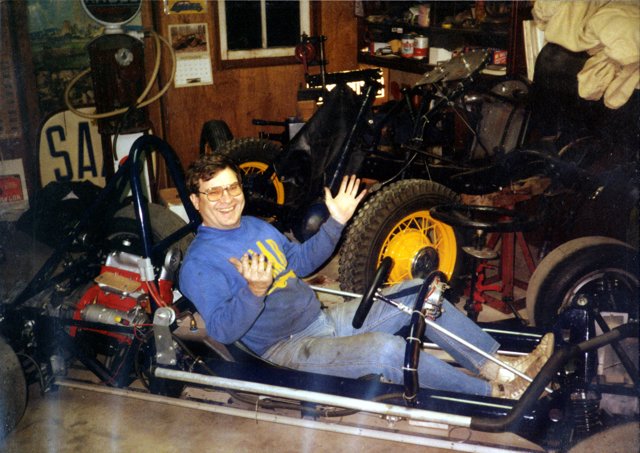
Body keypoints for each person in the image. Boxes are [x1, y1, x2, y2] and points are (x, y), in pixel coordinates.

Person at [179, 154, 553, 398]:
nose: (226, 198)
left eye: (231, 187)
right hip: (287, 349)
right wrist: (254, 291)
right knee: (385, 351)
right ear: (196, 201)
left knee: (421, 292)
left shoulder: (255, 226)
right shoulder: (199, 263)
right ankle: (496, 394)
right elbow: (223, 331)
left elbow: (302, 262)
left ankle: (502, 368)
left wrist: (336, 222)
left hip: (322, 320)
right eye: (213, 193)